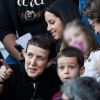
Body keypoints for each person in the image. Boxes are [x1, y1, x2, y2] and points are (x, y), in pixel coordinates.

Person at [0, 34, 60, 100]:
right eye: (30, 55)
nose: (32, 62)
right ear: (24, 54)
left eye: (40, 58)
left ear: (49, 62)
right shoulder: (10, 73)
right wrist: (1, 80)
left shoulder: (56, 78)